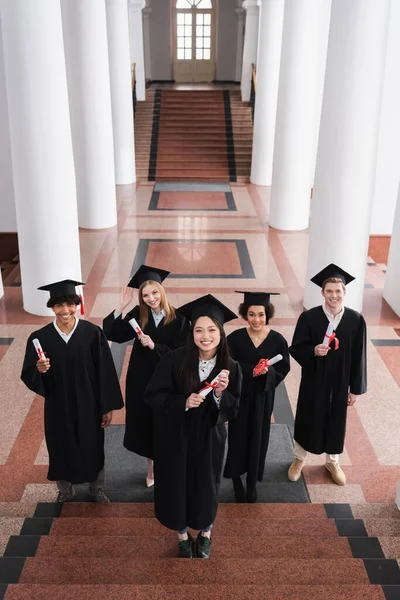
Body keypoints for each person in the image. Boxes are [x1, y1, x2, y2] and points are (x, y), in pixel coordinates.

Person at [144, 295, 242, 559]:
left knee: (206, 485)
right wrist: (183, 402)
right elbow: (152, 395)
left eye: (212, 330)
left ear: (221, 334)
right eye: (199, 330)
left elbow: (234, 407)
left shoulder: (230, 368)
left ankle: (206, 533)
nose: (205, 336)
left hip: (209, 437)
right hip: (175, 435)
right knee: (176, 484)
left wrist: (220, 395)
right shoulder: (174, 360)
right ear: (192, 333)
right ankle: (182, 536)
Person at [21, 279, 124, 503]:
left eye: (70, 304)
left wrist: (106, 407)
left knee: (93, 445)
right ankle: (65, 490)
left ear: (77, 304)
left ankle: (96, 489)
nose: (65, 310)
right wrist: (39, 370)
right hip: (59, 405)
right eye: (59, 305)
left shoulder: (92, 334)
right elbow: (28, 373)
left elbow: (105, 373)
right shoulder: (40, 338)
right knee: (60, 445)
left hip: (90, 404)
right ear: (52, 307)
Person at [103, 265, 190, 487]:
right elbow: (114, 333)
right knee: (146, 422)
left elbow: (182, 355)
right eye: (145, 295)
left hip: (168, 381)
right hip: (142, 379)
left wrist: (155, 346)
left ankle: (167, 465)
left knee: (166, 423)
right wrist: (121, 306)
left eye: (154, 292)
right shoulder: (137, 315)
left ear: (162, 291)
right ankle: (151, 469)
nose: (151, 299)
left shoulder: (179, 319)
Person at [288, 264, 367, 486]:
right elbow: (296, 347)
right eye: (329, 291)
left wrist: (355, 389)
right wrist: (313, 350)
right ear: (322, 293)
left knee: (336, 419)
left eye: (338, 291)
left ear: (344, 292)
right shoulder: (310, 318)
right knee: (307, 415)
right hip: (314, 378)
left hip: (341, 381)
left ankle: (332, 461)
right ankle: (299, 459)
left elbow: (359, 356)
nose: (333, 295)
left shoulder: (355, 320)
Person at [224, 291, 290, 502]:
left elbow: (283, 368)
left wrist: (267, 373)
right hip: (240, 397)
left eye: (260, 315)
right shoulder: (234, 338)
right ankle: (235, 478)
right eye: (251, 314)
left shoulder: (277, 340)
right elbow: (227, 364)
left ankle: (252, 480)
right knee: (238, 436)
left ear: (267, 314)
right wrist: (251, 369)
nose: (256, 320)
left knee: (259, 437)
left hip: (263, 397)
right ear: (245, 314)